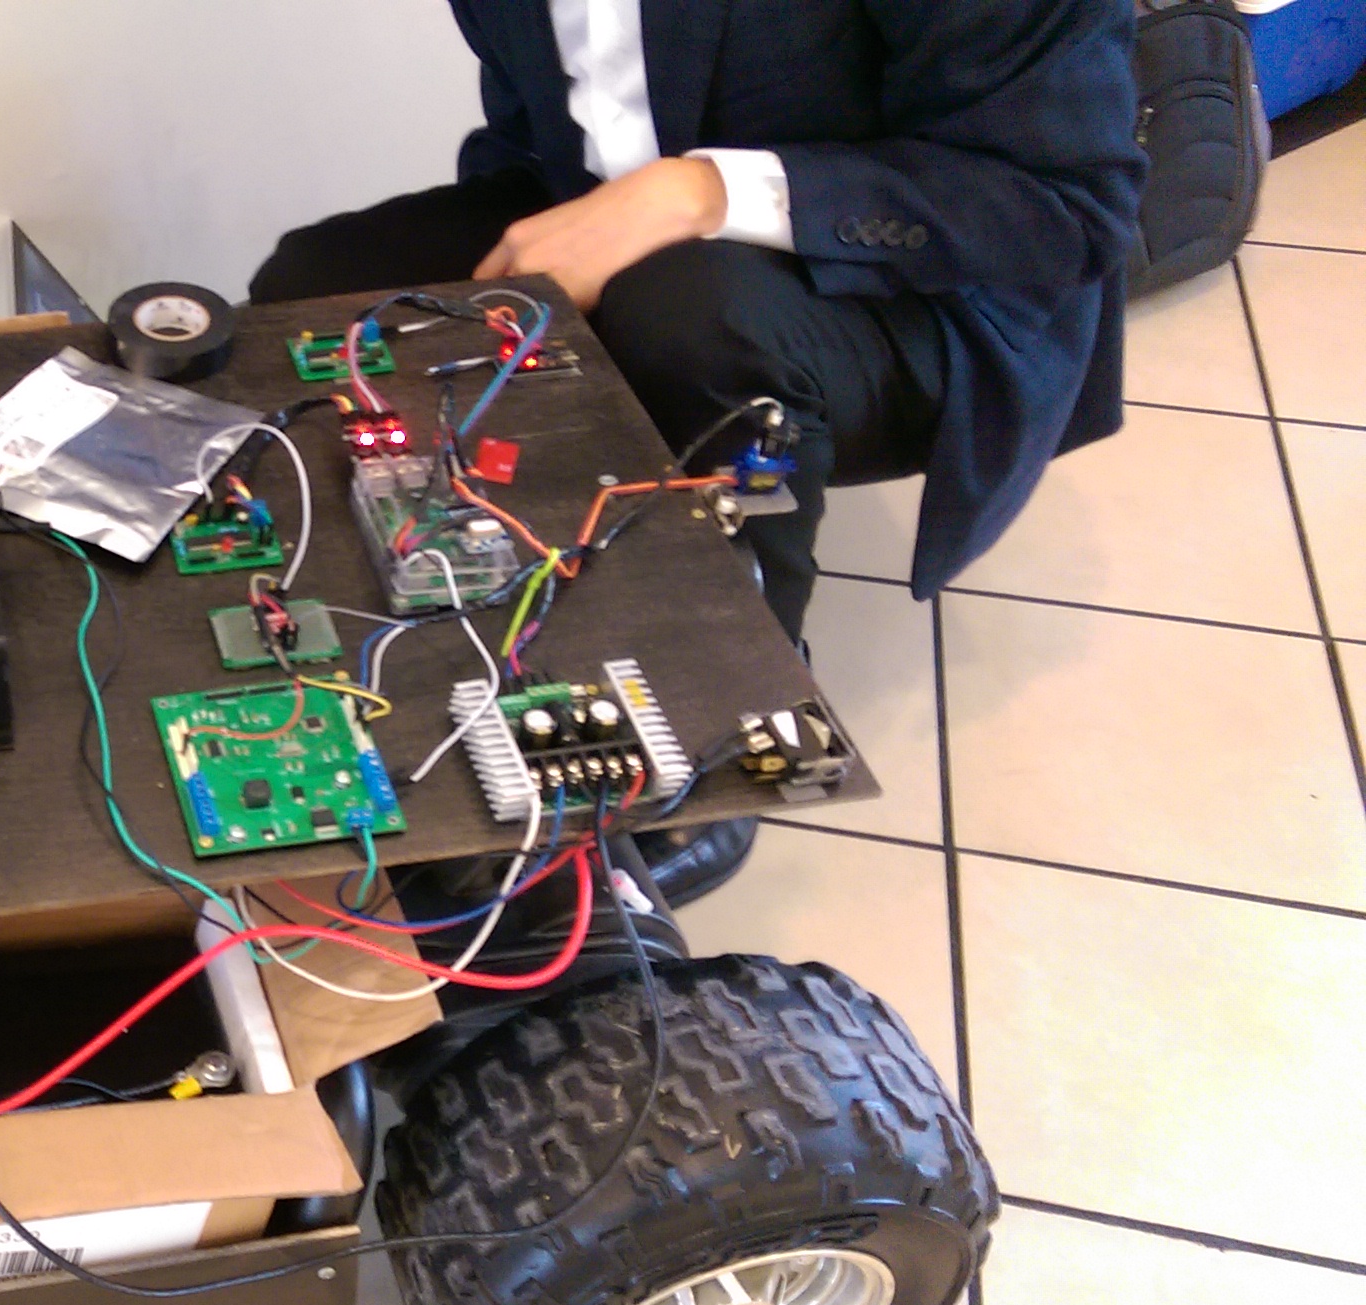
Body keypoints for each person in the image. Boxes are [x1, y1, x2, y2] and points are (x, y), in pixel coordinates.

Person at [253, 0, 1144, 901]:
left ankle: (740, 700)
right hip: (634, 219)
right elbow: (541, 121)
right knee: (312, 289)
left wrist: (698, 193)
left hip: (923, 283)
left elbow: (1064, 205)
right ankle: (400, 628)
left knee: (685, 316)